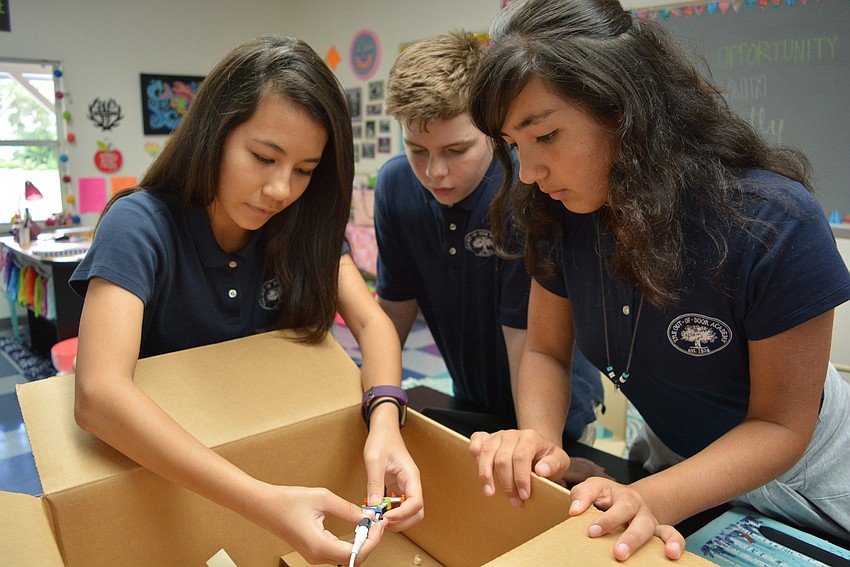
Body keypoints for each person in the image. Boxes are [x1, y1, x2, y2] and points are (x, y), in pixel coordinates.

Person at [465, 0, 850, 561]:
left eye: (545, 136)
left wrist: (650, 497)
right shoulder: (558, 211)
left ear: (625, 109)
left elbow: (779, 427)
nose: (529, 172)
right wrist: (541, 444)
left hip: (807, 482)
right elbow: (545, 350)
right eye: (513, 145)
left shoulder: (773, 221)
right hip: (679, 466)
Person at [69, 35, 422, 566]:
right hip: (162, 493)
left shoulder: (302, 227)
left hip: (277, 462)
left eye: (304, 170)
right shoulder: (138, 225)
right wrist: (265, 503)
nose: (281, 190)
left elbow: (374, 326)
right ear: (213, 134)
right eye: (263, 157)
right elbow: (98, 394)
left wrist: (385, 423)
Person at [374, 31, 607, 486]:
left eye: (455, 150)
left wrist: (540, 449)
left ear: (491, 130)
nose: (435, 172)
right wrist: (371, 404)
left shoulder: (528, 189)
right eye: (417, 150)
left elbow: (528, 338)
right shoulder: (395, 187)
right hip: (470, 401)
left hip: (556, 415)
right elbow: (392, 315)